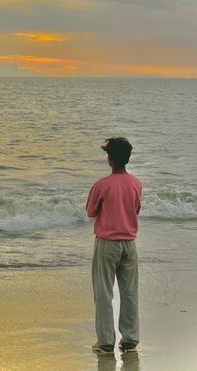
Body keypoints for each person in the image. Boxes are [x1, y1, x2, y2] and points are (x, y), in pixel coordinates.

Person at [86, 137, 142, 355]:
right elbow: (135, 210)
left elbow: (91, 212)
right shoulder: (136, 183)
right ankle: (130, 340)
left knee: (103, 292)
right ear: (127, 159)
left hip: (107, 243)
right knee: (129, 292)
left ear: (110, 160)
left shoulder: (102, 185)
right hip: (129, 243)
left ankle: (106, 342)